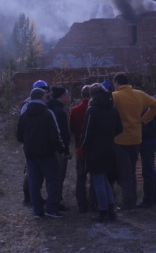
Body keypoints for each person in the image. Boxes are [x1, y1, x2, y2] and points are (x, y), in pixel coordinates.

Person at [111, 72, 156, 210]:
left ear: (116, 83)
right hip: (136, 138)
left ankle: (128, 203)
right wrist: (144, 120)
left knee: (124, 173)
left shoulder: (115, 96)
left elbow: (109, 111)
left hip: (120, 139)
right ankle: (132, 200)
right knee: (132, 171)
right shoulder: (140, 94)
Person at [17, 87, 66, 219]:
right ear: (42, 97)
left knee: (34, 182)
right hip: (47, 153)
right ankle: (51, 208)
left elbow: (19, 136)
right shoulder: (48, 113)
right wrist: (61, 149)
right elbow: (56, 135)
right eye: (45, 96)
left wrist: (29, 143)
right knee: (53, 181)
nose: (47, 97)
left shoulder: (24, 115)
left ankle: (37, 210)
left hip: (30, 154)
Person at [81, 83, 123, 222]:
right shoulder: (113, 109)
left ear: (92, 95)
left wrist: (82, 146)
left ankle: (103, 211)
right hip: (109, 147)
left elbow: (87, 132)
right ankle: (111, 209)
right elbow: (119, 129)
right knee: (104, 180)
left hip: (95, 149)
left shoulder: (92, 110)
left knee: (98, 181)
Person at [22, 80, 51, 205]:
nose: (46, 93)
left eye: (46, 90)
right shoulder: (27, 106)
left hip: (37, 144)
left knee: (36, 173)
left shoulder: (43, 104)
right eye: (43, 90)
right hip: (32, 144)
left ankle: (35, 197)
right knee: (31, 173)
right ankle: (29, 198)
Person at [47, 86, 72, 211]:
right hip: (58, 149)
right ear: (61, 97)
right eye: (67, 96)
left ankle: (52, 199)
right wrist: (65, 149)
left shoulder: (48, 108)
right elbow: (63, 133)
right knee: (59, 176)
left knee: (51, 176)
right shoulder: (60, 112)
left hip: (48, 148)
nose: (68, 99)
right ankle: (56, 201)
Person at [69, 84, 93, 212]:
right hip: (95, 150)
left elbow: (72, 129)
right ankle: (94, 204)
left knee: (80, 178)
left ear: (82, 95)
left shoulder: (75, 110)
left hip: (80, 149)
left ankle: (82, 205)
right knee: (96, 177)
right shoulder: (97, 108)